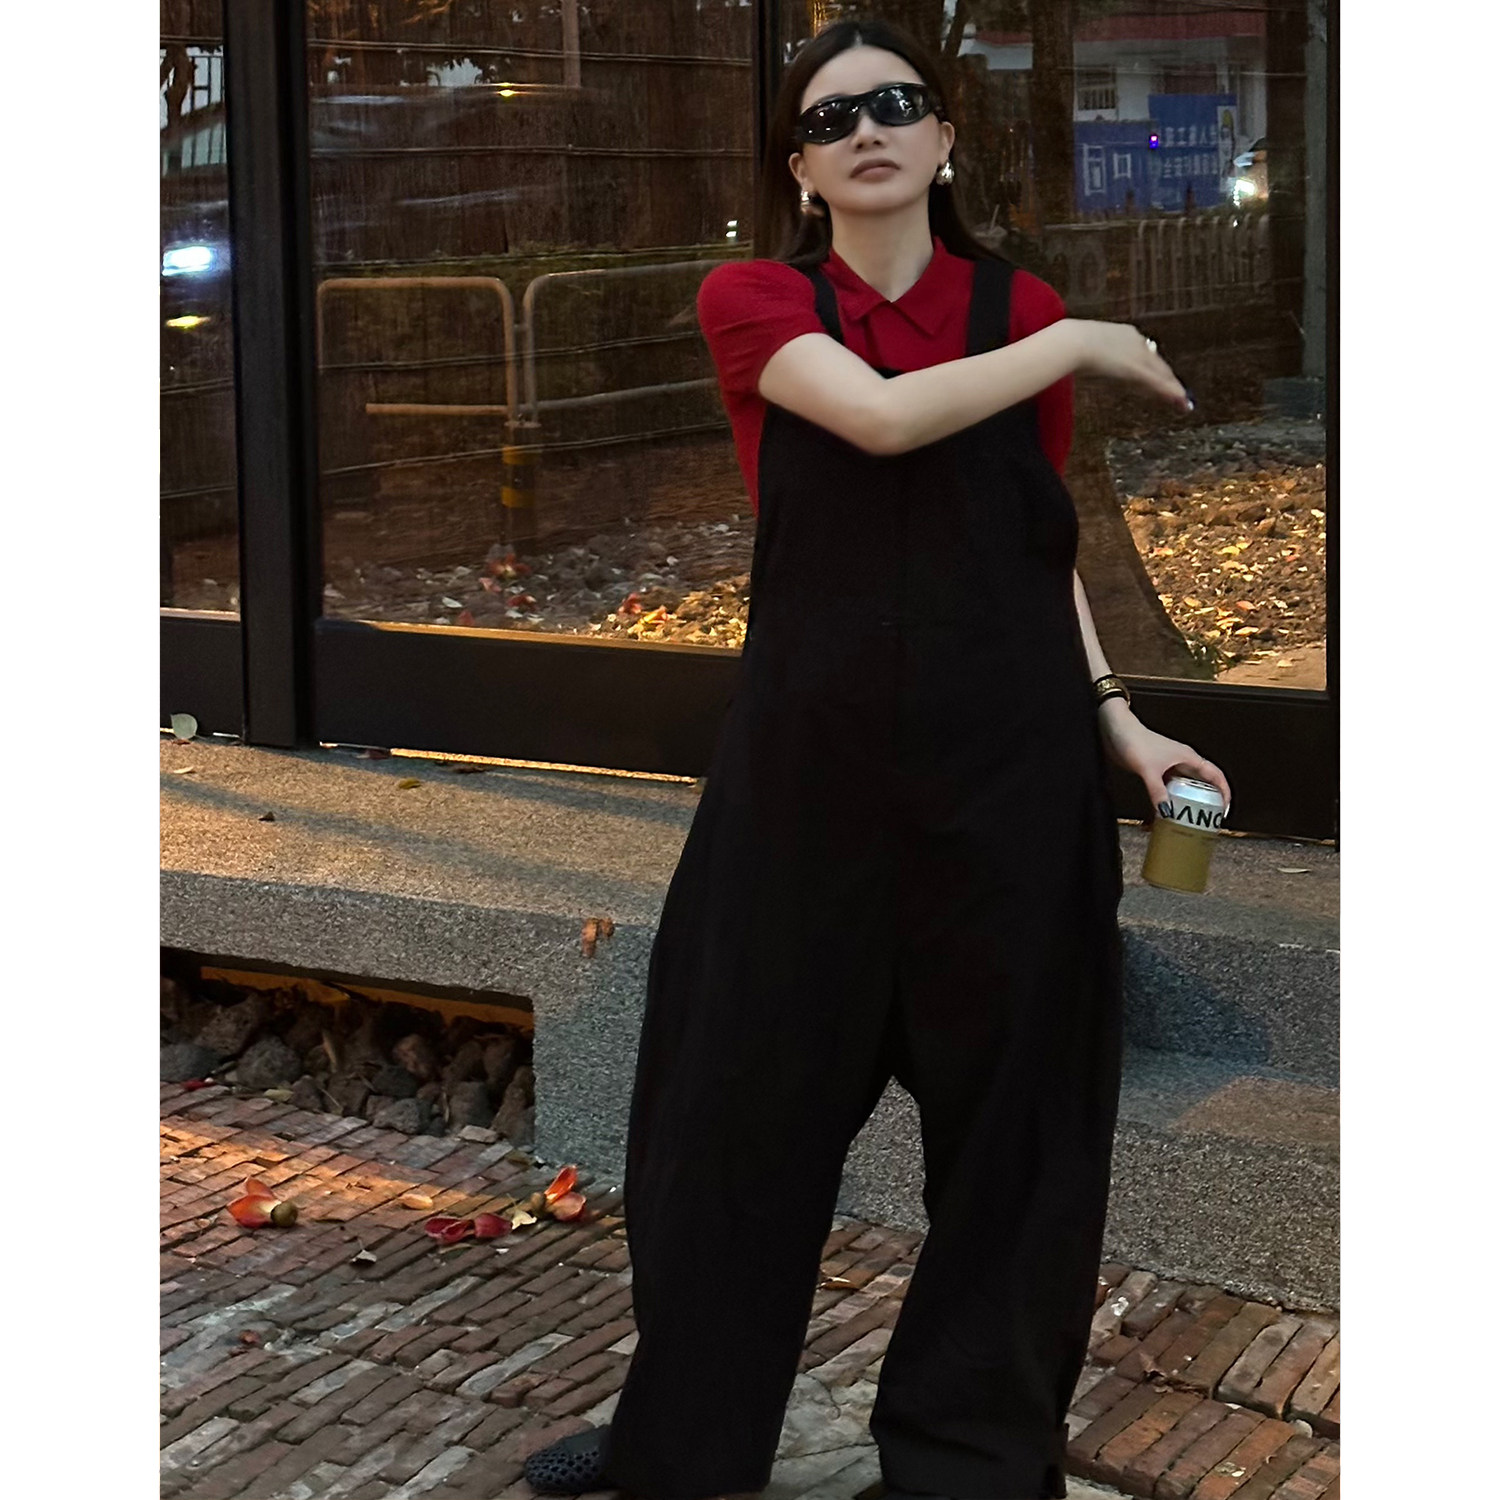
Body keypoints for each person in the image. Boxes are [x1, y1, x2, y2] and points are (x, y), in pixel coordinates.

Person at [524, 16, 1231, 1500]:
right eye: (830, 116)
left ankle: (969, 1460)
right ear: (798, 166)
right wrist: (1080, 344)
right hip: (812, 776)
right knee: (724, 1113)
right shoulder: (760, 299)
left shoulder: (1015, 306)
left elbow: (1037, 540)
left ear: (946, 139)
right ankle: (684, 1444)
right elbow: (884, 419)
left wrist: (1117, 719)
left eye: (899, 104)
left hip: (1010, 777)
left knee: (1020, 1139)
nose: (868, 130)